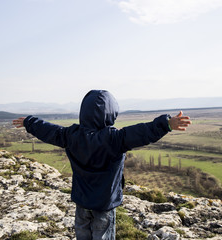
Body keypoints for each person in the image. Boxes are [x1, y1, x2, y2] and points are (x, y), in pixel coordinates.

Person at [12, 90, 191, 240]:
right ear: (111, 113)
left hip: (81, 202)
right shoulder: (114, 139)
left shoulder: (71, 135)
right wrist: (166, 124)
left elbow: (49, 131)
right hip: (104, 204)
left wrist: (29, 122)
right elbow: (141, 132)